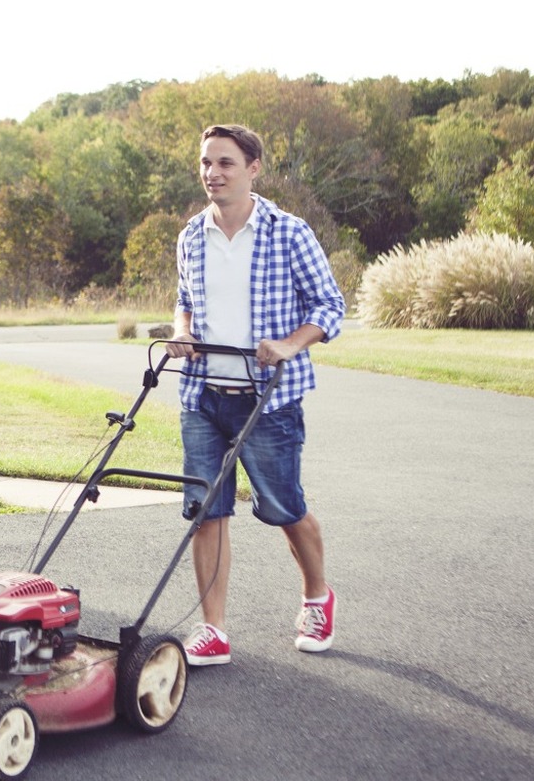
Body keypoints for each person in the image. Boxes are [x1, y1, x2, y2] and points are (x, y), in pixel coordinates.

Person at [163, 123, 346, 666]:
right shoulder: (192, 234)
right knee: (205, 510)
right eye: (205, 163)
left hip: (268, 399)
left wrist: (291, 343)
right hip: (202, 396)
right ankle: (213, 629)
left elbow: (330, 307)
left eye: (224, 163)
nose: (212, 173)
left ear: (253, 169)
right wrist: (182, 330)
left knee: (285, 507)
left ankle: (317, 597)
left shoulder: (289, 232)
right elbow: (184, 299)